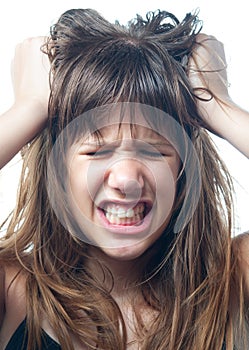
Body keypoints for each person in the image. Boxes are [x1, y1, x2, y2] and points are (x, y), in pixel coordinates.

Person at [0, 8, 248, 350]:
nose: (127, 179)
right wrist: (26, 110)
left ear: (183, 169)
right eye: (97, 151)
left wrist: (220, 107)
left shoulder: (237, 280)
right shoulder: (12, 288)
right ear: (57, 168)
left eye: (154, 150)